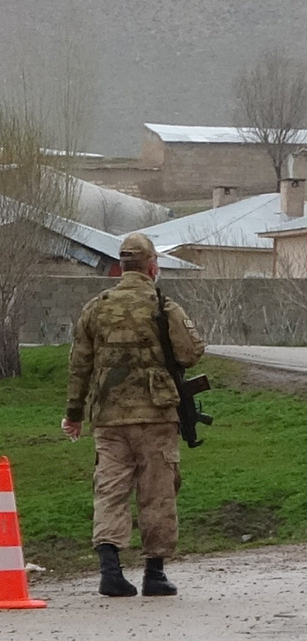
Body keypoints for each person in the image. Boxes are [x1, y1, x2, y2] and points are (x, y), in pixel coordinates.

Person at [61, 233, 205, 597]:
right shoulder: (163, 306)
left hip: (107, 416)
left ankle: (110, 569)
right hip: (156, 415)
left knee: (110, 488)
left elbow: (80, 363)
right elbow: (191, 352)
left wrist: (74, 413)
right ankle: (154, 574)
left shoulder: (97, 306)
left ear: (120, 267)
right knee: (157, 490)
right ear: (152, 267)